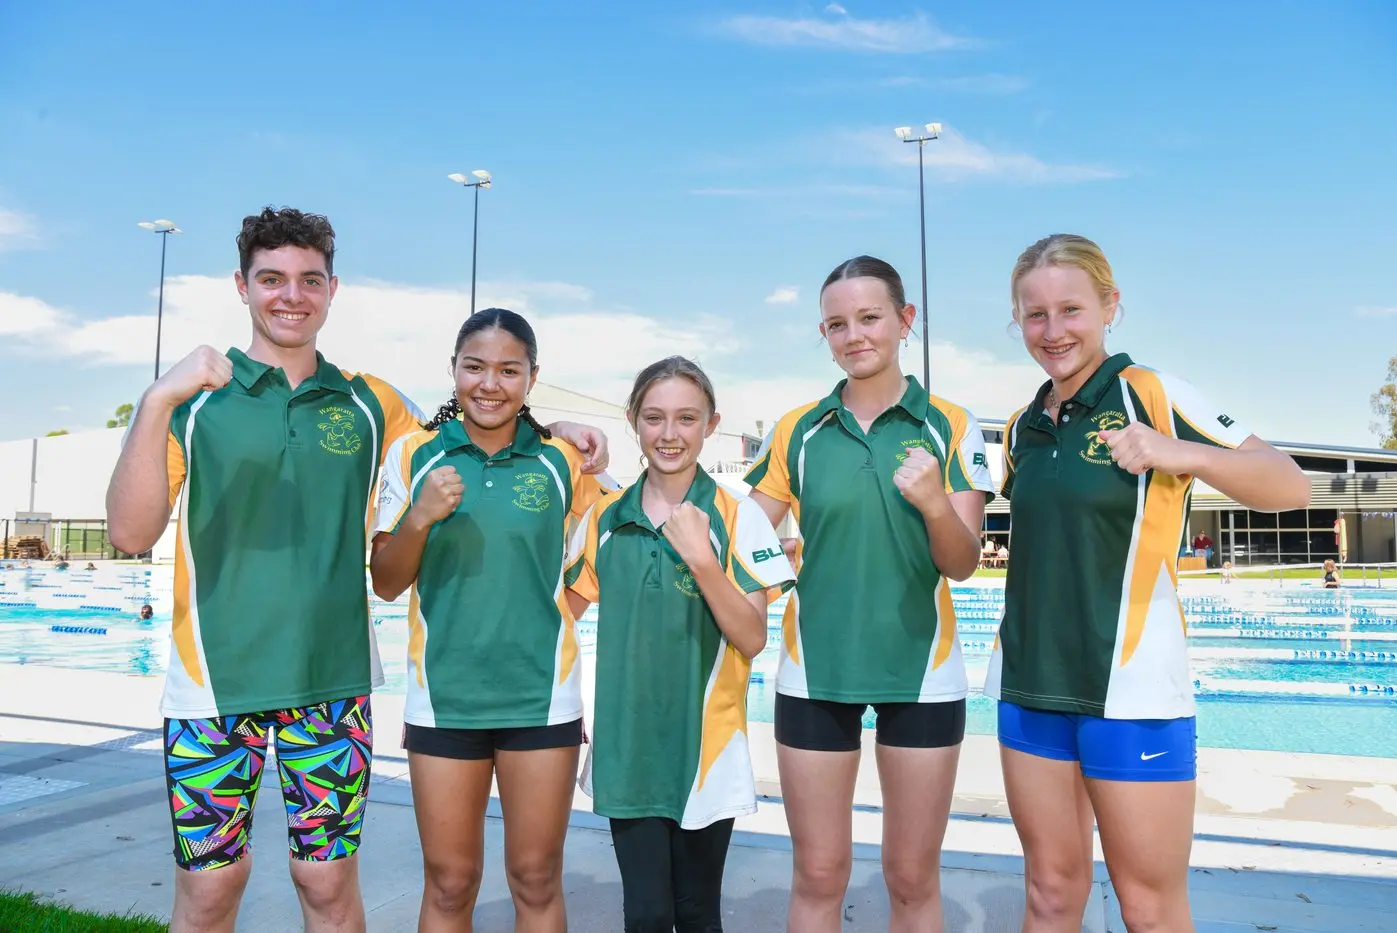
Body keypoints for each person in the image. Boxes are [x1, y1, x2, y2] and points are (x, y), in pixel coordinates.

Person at [105, 209, 609, 933]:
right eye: (272, 278)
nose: (291, 295)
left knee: (327, 886)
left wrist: (552, 428)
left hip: (332, 686)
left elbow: (471, 422)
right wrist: (156, 399)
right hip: (211, 687)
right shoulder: (193, 399)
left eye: (310, 280)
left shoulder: (371, 402)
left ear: (332, 289)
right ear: (241, 285)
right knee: (211, 894)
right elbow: (129, 531)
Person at [985, 234, 1309, 933]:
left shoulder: (1153, 395)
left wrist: (1179, 451)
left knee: (1150, 909)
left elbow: (1289, 483)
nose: (1052, 330)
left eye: (1070, 309)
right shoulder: (1020, 429)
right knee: (1047, 892)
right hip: (1029, 688)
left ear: (1110, 306)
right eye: (1034, 315)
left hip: (1132, 691)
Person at [745, 256, 995, 933]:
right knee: (819, 873)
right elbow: (740, 533)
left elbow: (964, 560)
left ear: (905, 320)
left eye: (869, 317)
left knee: (911, 877)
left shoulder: (952, 424)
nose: (853, 335)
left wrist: (935, 503)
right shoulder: (798, 428)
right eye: (836, 324)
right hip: (814, 669)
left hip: (923, 673)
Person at [370, 308, 616, 933]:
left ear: (533, 378)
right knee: (451, 883)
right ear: (452, 370)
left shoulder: (562, 461)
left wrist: (552, 616)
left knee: (535, 878)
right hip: (444, 700)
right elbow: (386, 581)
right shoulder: (412, 455)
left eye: (510, 370)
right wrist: (420, 518)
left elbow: (598, 549)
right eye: (474, 367)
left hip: (541, 700)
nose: (490, 384)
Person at [564, 357, 796, 932]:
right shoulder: (603, 519)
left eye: (686, 418)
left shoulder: (737, 517)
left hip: (706, 751)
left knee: (697, 914)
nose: (670, 434)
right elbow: (558, 619)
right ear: (633, 422)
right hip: (629, 748)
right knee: (643, 914)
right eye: (655, 418)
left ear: (711, 423)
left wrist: (703, 560)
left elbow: (751, 637)